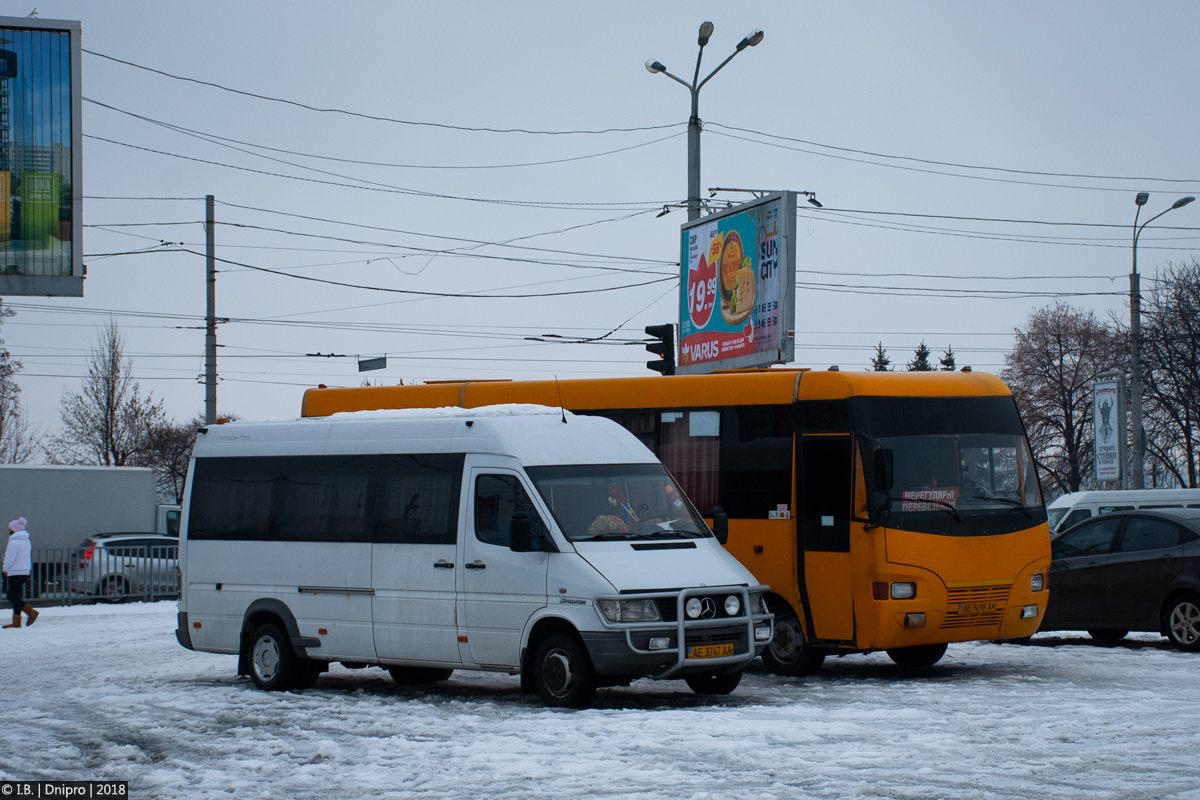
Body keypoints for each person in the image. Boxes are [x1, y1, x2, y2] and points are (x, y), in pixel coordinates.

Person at [2, 517, 38, 629]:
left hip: (15, 571)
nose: (9, 530)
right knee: (12, 595)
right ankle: (27, 612)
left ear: (13, 530)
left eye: (10, 529)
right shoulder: (26, 540)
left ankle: (22, 618)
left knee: (14, 596)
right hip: (24, 570)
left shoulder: (14, 542)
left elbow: (9, 558)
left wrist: (5, 568)